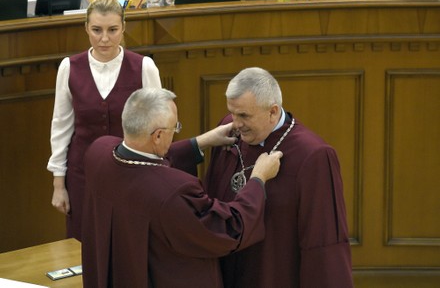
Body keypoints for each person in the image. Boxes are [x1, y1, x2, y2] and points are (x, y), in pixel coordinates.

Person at [81, 88, 283, 287]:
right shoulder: (173, 193)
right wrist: (258, 179)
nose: (176, 133)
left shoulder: (98, 152)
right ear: (158, 136)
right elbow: (229, 230)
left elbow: (143, 160)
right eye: (174, 128)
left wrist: (199, 143)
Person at [204, 67, 354, 287]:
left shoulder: (314, 157)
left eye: (244, 115)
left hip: (274, 273)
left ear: (273, 111)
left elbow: (324, 245)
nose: (235, 124)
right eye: (232, 113)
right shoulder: (229, 134)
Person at [46, 0, 162, 240]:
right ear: (86, 28)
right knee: (83, 244)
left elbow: (159, 126)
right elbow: (61, 128)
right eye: (97, 30)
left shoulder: (144, 67)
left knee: (128, 243)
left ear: (123, 28)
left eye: (112, 30)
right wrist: (59, 185)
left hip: (132, 175)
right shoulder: (69, 67)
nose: (104, 38)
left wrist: (156, 177)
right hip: (82, 175)